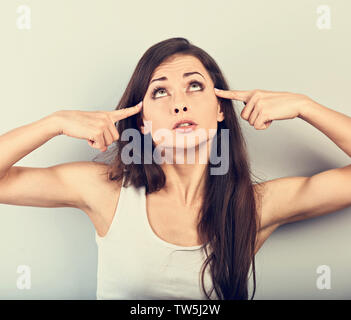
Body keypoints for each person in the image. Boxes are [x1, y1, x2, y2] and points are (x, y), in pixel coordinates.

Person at [0, 37, 350, 300]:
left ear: (220, 109)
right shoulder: (106, 191)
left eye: (194, 86)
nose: (180, 103)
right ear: (144, 122)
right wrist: (55, 122)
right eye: (160, 92)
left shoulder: (253, 206)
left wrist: (306, 106)